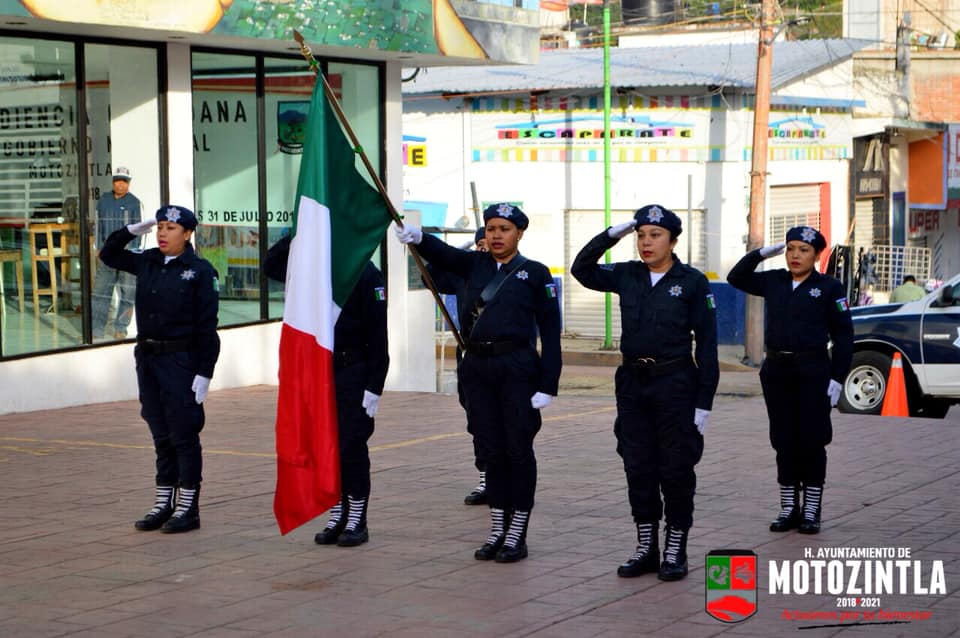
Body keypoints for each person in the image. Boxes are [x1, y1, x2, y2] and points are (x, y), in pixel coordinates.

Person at [396, 203, 561, 563]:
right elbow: (443, 254)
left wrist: (548, 383)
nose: (496, 235)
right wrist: (420, 238)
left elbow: (551, 332)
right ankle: (498, 528)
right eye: (491, 229)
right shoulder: (474, 265)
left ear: (519, 233)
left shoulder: (535, 273)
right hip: (478, 369)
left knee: (518, 451)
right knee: (491, 450)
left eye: (504, 229)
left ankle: (517, 532)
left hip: (517, 368)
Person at [571, 204, 719, 581]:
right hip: (634, 385)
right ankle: (646, 546)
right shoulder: (628, 275)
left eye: (655, 235)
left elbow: (707, 344)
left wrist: (704, 401)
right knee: (637, 466)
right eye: (641, 235)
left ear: (673, 240)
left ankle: (675, 547)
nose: (646, 242)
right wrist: (613, 233)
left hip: (676, 385)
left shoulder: (692, 282)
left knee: (675, 468)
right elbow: (582, 269)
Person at [99, 205, 220, 533]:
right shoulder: (149, 261)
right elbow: (108, 253)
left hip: (180, 361)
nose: (162, 233)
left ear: (188, 233)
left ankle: (188, 508)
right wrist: (136, 228)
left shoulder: (200, 271)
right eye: (160, 227)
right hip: (148, 358)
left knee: (183, 434)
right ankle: (164, 501)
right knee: (160, 432)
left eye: (170, 228)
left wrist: (205, 372)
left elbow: (208, 329)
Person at [263, 234, 389, 547]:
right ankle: (338, 510)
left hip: (352, 372)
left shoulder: (366, 274)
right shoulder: (311, 273)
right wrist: (300, 231)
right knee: (324, 446)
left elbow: (378, 338)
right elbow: (272, 266)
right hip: (318, 371)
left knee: (350, 447)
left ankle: (357, 515)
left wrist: (374, 386)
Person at [727, 226, 853, 535]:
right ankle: (788, 507)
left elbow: (844, 335)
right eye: (791, 248)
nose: (795, 255)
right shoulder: (775, 281)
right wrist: (759, 254)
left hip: (813, 371)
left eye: (803, 250)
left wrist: (837, 376)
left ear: (816, 255)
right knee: (783, 440)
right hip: (777, 371)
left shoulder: (828, 288)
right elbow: (736, 277)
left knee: (811, 440)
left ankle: (811, 509)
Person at [427, 227, 490, 505]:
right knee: (477, 420)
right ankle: (486, 479)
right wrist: (456, 255)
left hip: (503, 360)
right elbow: (430, 278)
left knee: (505, 423)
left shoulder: (514, 274)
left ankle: (506, 478)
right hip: (469, 356)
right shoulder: (464, 272)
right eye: (479, 244)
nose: (485, 247)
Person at [92, 166, 142, 339]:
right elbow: (98, 225)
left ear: (129, 184)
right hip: (107, 254)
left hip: (127, 255)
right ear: (113, 182)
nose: (120, 184)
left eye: (124, 181)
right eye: (117, 180)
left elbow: (138, 229)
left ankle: (120, 328)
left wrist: (134, 253)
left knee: (128, 294)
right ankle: (96, 330)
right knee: (100, 292)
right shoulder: (104, 200)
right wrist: (97, 247)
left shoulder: (134, 202)